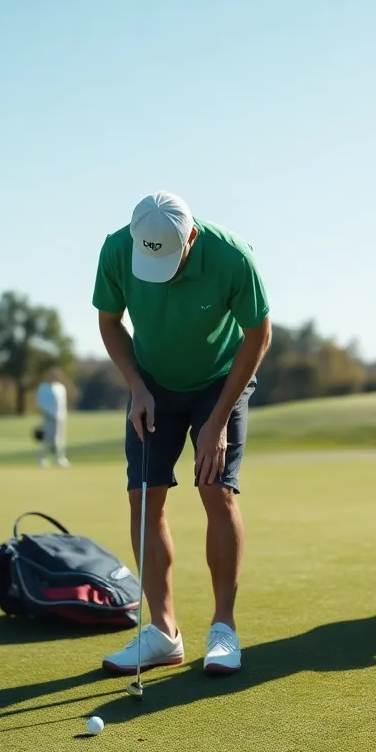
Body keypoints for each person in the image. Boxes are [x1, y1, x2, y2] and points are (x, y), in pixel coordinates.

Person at [91, 190, 272, 676]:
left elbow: (258, 334)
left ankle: (224, 629)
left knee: (217, 490)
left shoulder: (233, 257)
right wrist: (136, 387)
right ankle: (163, 633)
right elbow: (109, 321)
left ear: (190, 237)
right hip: (151, 383)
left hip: (220, 381)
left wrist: (217, 421)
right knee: (143, 496)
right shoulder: (116, 250)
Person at [35, 367, 70, 467]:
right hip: (48, 417)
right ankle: (42, 460)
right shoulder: (43, 387)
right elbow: (40, 402)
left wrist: (62, 415)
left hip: (60, 417)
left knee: (60, 439)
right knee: (47, 440)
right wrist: (46, 413)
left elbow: (63, 403)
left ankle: (59, 459)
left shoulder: (61, 387)